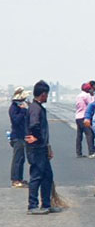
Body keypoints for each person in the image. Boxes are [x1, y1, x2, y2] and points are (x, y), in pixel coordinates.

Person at [25, 80, 55, 214]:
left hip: (42, 147)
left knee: (47, 176)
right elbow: (34, 125)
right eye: (47, 94)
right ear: (43, 94)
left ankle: (46, 204)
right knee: (36, 176)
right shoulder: (35, 108)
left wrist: (47, 146)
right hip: (36, 148)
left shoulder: (37, 107)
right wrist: (37, 138)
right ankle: (32, 206)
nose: (47, 97)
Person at [9, 87, 30, 188]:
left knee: (21, 158)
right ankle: (15, 180)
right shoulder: (13, 108)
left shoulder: (22, 108)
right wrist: (22, 111)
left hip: (23, 136)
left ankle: (20, 178)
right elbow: (16, 121)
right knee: (17, 159)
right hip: (17, 137)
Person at [74, 82, 95, 157]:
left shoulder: (78, 96)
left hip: (78, 117)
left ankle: (79, 152)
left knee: (79, 136)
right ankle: (91, 152)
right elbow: (92, 104)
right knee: (89, 134)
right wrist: (93, 95)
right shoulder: (86, 96)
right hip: (84, 117)